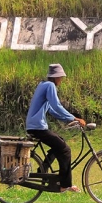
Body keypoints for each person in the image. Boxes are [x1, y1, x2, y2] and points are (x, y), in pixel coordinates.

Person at [26, 63, 86, 193]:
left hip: (34, 126)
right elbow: (57, 105)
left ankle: (43, 170)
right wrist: (74, 118)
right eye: (61, 78)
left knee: (60, 143)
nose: (61, 80)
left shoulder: (43, 85)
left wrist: (68, 119)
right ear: (56, 77)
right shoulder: (50, 86)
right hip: (38, 127)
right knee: (65, 150)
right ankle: (65, 185)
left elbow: (53, 110)